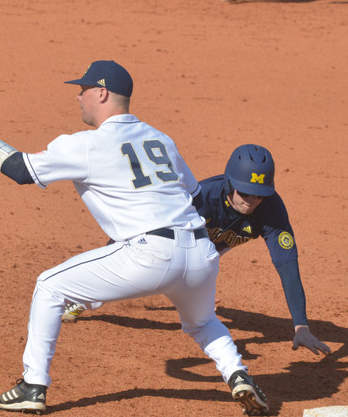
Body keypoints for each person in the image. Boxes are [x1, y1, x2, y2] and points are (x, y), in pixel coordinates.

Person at [0, 60, 268, 416]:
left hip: (150, 255)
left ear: (102, 93)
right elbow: (194, 195)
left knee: (49, 286)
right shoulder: (161, 139)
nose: (78, 97)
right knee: (202, 322)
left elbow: (19, 170)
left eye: (83, 90)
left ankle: (33, 385)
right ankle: (238, 374)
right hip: (201, 252)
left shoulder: (88, 145)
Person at [64, 144, 331, 357]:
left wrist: (301, 325)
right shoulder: (201, 198)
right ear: (229, 183)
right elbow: (149, 225)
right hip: (171, 241)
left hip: (209, 252)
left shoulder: (271, 210)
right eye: (246, 193)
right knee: (132, 278)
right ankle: (84, 296)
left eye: (260, 194)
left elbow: (287, 265)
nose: (253, 201)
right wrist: (116, 251)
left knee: (198, 309)